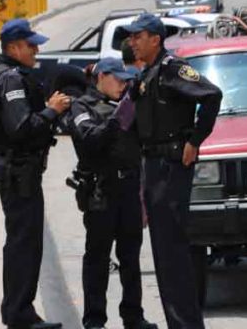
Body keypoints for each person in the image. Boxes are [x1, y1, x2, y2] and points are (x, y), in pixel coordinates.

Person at [122, 13, 222, 329]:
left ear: (155, 38)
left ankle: (186, 324)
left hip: (170, 167)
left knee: (172, 252)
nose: (132, 42)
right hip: (152, 167)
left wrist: (195, 140)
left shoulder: (173, 69)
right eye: (131, 37)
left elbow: (211, 96)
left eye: (138, 36)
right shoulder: (147, 74)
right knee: (164, 253)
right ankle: (178, 322)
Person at [0, 18, 70, 329]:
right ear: (13, 47)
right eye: (31, 45)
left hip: (15, 171)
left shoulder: (0, 75)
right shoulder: (11, 79)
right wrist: (51, 110)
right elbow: (22, 127)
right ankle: (19, 314)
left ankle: (19, 311)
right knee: (23, 244)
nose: (36, 50)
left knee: (23, 242)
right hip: (18, 173)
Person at [67, 58, 158, 329]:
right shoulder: (82, 106)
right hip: (101, 191)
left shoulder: (128, 104)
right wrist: (118, 120)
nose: (122, 85)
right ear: (102, 77)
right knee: (97, 258)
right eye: (117, 79)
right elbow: (89, 139)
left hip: (129, 189)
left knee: (131, 257)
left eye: (125, 80)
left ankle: (133, 316)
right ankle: (94, 319)